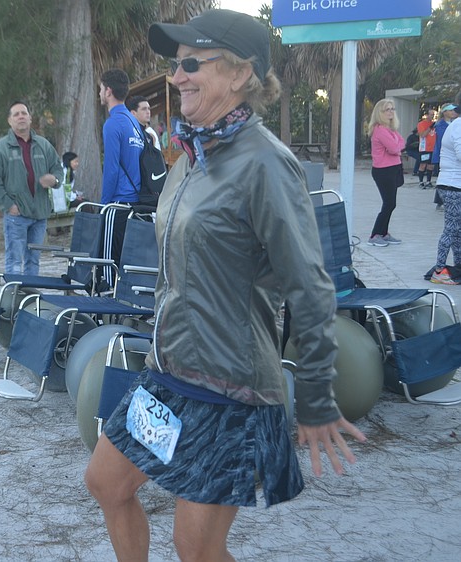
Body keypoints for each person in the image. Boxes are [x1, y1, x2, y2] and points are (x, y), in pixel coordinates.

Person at [84, 10, 366, 561]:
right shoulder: (192, 154)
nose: (176, 77)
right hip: (168, 374)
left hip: (231, 386)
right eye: (174, 65)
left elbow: (310, 287)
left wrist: (313, 397)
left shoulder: (266, 164)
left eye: (192, 63)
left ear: (241, 75)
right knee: (106, 483)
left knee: (195, 546)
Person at [0, 100, 64, 276]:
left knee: (33, 259)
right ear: (9, 121)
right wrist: (8, 205)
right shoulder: (1, 148)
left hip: (40, 215)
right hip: (16, 215)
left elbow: (58, 170)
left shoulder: (43, 145)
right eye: (16, 114)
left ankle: (29, 296)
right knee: (14, 259)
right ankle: (13, 296)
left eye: (24, 113)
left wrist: (55, 180)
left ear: (30, 118)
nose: (21, 116)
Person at [100, 68, 142, 269]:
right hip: (136, 203)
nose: (99, 93)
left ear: (108, 91)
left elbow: (111, 170)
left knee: (110, 264)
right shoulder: (134, 122)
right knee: (128, 264)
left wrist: (103, 205)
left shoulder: (112, 124)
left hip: (118, 204)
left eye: (100, 89)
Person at [367, 99, 406, 247]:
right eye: (387, 109)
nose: (391, 111)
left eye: (392, 109)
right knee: (389, 203)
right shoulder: (380, 130)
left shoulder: (391, 129)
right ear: (380, 113)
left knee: (391, 204)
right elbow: (395, 149)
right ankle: (375, 234)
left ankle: (383, 233)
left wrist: (397, 146)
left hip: (393, 168)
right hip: (383, 171)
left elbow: (402, 143)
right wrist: (397, 147)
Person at [429, 109, 461, 284]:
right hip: (453, 185)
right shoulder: (459, 126)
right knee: (451, 228)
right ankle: (439, 270)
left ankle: (457, 266)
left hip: (453, 184)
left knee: (457, 230)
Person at [431, 104, 458, 210]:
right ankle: (440, 201)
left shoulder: (453, 123)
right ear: (444, 112)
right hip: (442, 155)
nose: (453, 112)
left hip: (451, 155)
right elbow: (443, 141)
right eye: (450, 110)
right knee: (443, 178)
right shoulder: (440, 125)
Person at [417, 108, 437, 188]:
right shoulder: (421, 124)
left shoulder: (434, 124)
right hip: (424, 148)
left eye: (433, 114)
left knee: (430, 166)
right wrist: (430, 127)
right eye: (431, 114)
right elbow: (423, 135)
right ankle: (421, 181)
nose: (432, 116)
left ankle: (428, 181)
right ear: (427, 115)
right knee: (423, 165)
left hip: (433, 148)